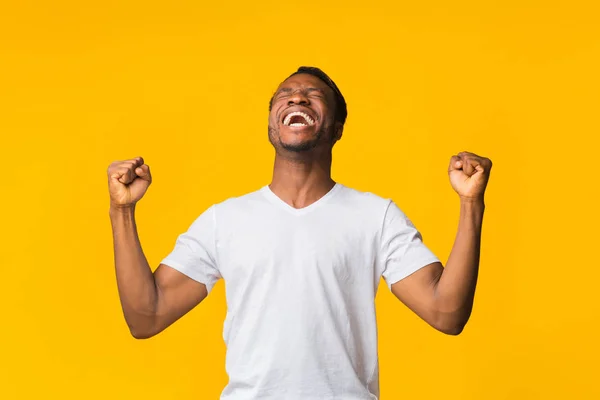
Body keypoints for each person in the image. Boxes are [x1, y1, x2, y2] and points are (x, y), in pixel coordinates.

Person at [107, 66, 492, 400]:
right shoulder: (224, 220)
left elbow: (446, 314)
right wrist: (122, 210)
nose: (297, 100)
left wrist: (471, 204)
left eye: (312, 96)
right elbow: (147, 317)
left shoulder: (376, 216)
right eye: (285, 95)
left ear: (338, 128)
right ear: (272, 122)